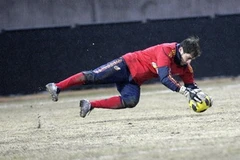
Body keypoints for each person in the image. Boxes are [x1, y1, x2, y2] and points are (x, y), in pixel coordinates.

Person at [46, 36, 212, 118]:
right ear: (181, 50)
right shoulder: (166, 50)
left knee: (131, 101)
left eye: (192, 59)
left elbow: (191, 86)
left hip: (134, 80)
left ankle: (89, 105)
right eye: (189, 57)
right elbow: (164, 77)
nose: (189, 62)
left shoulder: (186, 68)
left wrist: (202, 96)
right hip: (126, 65)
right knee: (94, 77)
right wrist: (184, 91)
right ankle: (57, 86)